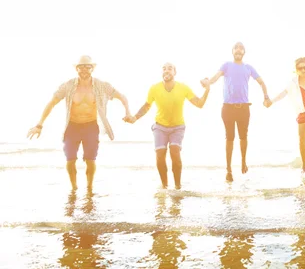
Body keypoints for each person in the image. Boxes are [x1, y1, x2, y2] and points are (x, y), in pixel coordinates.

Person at [27, 55, 132, 191]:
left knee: (90, 160)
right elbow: (52, 103)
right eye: (81, 67)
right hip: (72, 126)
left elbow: (122, 97)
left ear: (92, 68)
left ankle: (89, 188)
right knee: (70, 160)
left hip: (91, 126)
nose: (84, 70)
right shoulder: (68, 86)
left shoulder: (102, 86)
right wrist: (39, 124)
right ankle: (74, 188)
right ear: (77, 69)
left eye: (87, 67)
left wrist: (128, 112)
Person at [126, 62, 210, 189]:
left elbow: (199, 104)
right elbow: (147, 105)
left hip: (178, 127)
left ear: (175, 72)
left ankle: (177, 187)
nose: (166, 70)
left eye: (170, 68)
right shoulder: (154, 88)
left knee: (175, 153)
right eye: (164, 69)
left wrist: (207, 90)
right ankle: (165, 187)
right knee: (160, 156)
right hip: (160, 127)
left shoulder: (183, 88)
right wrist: (135, 118)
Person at [201, 42, 271, 182]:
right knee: (230, 138)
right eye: (236, 48)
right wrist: (207, 81)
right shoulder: (226, 65)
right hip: (228, 108)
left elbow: (262, 82)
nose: (238, 50)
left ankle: (244, 162)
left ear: (244, 52)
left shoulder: (248, 68)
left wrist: (266, 97)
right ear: (232, 51)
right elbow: (214, 78)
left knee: (243, 137)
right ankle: (228, 169)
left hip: (244, 108)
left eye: (241, 48)